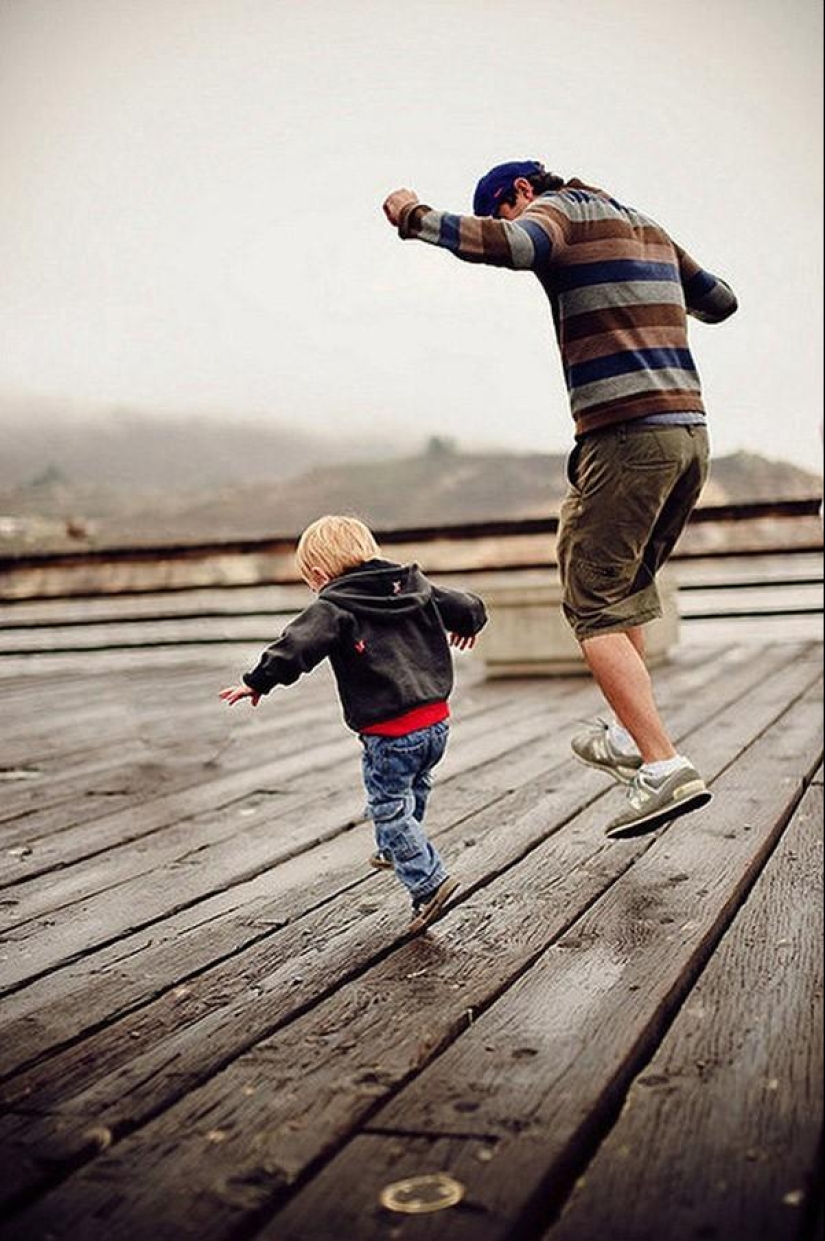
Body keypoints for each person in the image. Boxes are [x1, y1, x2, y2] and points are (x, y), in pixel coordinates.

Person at [383, 161, 738, 839]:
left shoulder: (560, 214)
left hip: (626, 437)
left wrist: (414, 218)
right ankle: (627, 733)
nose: (510, 222)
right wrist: (654, 285)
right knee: (624, 588)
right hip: (688, 435)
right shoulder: (647, 227)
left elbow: (516, 245)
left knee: (592, 604)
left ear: (519, 194)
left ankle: (663, 765)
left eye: (504, 210)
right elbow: (719, 300)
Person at [219, 514, 487, 930]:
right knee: (414, 787)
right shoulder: (414, 584)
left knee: (387, 806)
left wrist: (257, 682)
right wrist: (469, 624)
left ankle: (428, 882)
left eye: (311, 581)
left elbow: (296, 646)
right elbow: (467, 605)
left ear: (321, 574)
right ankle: (392, 847)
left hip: (391, 731)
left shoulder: (334, 604)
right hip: (436, 723)